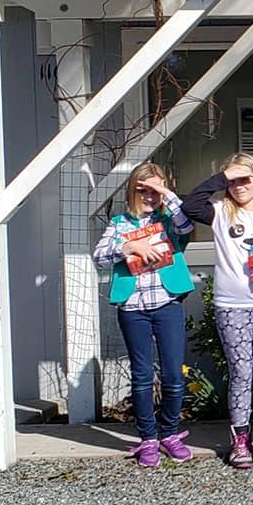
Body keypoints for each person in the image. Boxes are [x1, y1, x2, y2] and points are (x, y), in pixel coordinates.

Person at [182, 153, 253, 469]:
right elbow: (190, 204)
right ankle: (241, 441)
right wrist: (223, 177)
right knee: (241, 372)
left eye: (245, 178)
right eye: (232, 181)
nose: (239, 186)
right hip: (231, 306)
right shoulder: (221, 212)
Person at [93, 163, 196, 468]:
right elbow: (99, 256)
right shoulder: (119, 223)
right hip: (133, 307)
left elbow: (186, 227)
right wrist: (129, 245)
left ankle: (170, 434)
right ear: (132, 191)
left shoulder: (169, 220)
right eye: (144, 190)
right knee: (141, 376)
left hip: (167, 303)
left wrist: (166, 193)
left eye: (155, 190)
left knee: (173, 374)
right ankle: (148, 438)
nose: (150, 196)